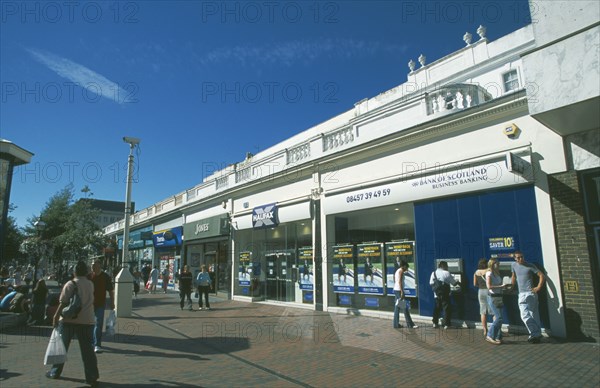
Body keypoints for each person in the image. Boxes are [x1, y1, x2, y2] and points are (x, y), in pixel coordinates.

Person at [46, 260, 99, 387]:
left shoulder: (70, 284)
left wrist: (56, 316)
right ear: (86, 272)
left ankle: (55, 372)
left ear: (74, 271)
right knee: (87, 350)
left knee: (62, 347)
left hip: (69, 320)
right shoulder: (90, 284)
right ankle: (91, 376)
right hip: (87, 320)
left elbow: (63, 302)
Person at [511, 251, 545, 344]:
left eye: (521, 257)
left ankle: (534, 335)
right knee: (524, 315)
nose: (520, 259)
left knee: (534, 315)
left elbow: (541, 275)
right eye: (518, 257)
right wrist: (511, 286)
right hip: (521, 294)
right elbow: (513, 276)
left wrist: (538, 287)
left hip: (530, 293)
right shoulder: (513, 265)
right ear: (515, 258)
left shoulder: (530, 265)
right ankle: (536, 333)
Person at [89, 260, 115, 354]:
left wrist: (112, 303)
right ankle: (91, 342)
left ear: (99, 265)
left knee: (98, 324)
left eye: (94, 265)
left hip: (100, 304)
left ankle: (97, 344)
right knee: (91, 324)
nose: (92, 267)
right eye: (91, 265)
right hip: (89, 305)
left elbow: (111, 291)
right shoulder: (89, 276)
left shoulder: (105, 277)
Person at [429, 261, 459, 329]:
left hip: (436, 294)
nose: (447, 267)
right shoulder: (446, 273)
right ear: (443, 266)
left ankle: (435, 323)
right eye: (447, 266)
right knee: (446, 309)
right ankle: (447, 324)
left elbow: (431, 283)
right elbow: (454, 283)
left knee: (437, 309)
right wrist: (457, 282)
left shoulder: (433, 273)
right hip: (445, 294)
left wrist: (437, 289)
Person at [486, 258, 508, 345]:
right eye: (496, 263)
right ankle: (490, 335)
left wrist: (504, 287)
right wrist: (501, 286)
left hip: (499, 297)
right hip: (493, 297)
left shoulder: (497, 273)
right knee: (499, 318)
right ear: (492, 264)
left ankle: (498, 337)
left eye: (498, 263)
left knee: (499, 318)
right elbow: (489, 286)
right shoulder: (489, 273)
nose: (498, 265)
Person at [393, 260, 417, 329]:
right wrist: (402, 292)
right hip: (399, 291)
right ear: (404, 266)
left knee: (397, 308)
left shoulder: (398, 270)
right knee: (404, 308)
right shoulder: (400, 271)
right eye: (407, 267)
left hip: (396, 290)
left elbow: (396, 280)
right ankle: (410, 324)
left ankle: (396, 324)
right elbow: (400, 282)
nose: (407, 269)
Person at [473, 258, 490, 337]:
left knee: (483, 312)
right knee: (493, 311)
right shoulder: (489, 270)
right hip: (488, 291)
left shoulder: (476, 272)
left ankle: (485, 330)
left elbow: (475, 284)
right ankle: (496, 329)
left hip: (480, 292)